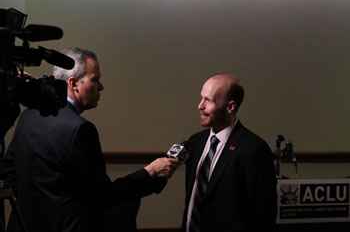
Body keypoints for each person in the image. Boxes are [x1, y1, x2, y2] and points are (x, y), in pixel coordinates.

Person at [4, 47, 178, 232]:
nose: (101, 86)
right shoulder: (80, 129)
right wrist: (149, 172)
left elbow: (9, 169)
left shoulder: (28, 115)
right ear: (73, 83)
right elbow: (102, 196)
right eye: (95, 80)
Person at [182, 73, 277, 232]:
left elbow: (264, 213)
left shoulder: (254, 149)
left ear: (230, 107)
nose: (200, 105)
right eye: (201, 98)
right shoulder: (195, 142)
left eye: (208, 100)